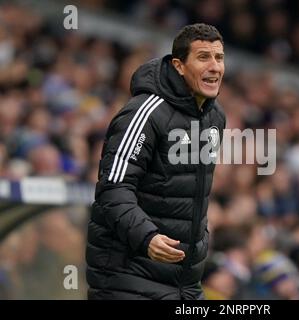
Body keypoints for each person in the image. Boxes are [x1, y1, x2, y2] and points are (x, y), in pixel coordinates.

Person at [86, 23, 226, 300]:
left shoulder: (214, 117)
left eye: (219, 58)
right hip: (128, 276)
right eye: (203, 57)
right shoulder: (145, 112)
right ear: (179, 66)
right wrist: (147, 237)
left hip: (184, 281)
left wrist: (200, 240)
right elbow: (114, 188)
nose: (215, 67)